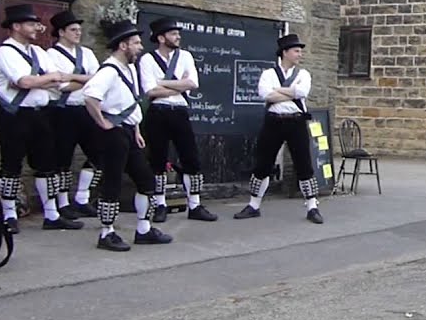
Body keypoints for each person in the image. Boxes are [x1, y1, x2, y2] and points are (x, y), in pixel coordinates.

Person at [0, 4, 82, 233]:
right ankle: (9, 214)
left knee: (47, 165)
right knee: (11, 165)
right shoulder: (4, 52)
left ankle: (52, 215)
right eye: (31, 24)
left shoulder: (39, 52)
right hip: (14, 115)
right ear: (16, 26)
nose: (36, 28)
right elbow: (24, 82)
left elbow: (58, 80)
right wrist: (42, 79)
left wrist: (43, 78)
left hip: (40, 114)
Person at [83, 20, 173, 251]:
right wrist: (102, 123)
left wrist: (136, 130)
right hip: (113, 133)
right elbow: (91, 97)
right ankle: (106, 233)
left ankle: (144, 230)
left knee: (146, 180)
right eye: (136, 43)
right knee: (112, 182)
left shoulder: (130, 69)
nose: (140, 47)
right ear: (123, 46)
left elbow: (129, 102)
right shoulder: (109, 70)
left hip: (128, 132)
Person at [234, 34, 323, 224]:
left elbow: (302, 92)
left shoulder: (303, 74)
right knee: (263, 163)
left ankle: (312, 207)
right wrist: (290, 93)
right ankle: (254, 205)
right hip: (274, 121)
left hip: (296, 121)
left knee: (304, 164)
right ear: (285, 52)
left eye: (300, 51)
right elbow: (265, 94)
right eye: (296, 51)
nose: (300, 54)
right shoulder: (268, 74)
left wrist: (278, 91)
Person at [138, 17, 217, 223]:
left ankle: (195, 205)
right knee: (157, 159)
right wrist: (178, 83)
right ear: (162, 38)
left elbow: (192, 83)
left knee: (191, 157)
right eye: (173, 34)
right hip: (158, 111)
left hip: (180, 110)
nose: (178, 37)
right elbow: (150, 90)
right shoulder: (147, 59)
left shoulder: (186, 56)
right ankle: (160, 204)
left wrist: (163, 82)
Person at [43, 11, 102, 220]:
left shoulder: (86, 53)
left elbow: (99, 79)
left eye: (79, 29)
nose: (78, 33)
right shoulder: (51, 55)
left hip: (85, 109)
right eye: (73, 30)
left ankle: (82, 198)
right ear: (61, 32)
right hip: (62, 111)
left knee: (98, 155)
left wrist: (75, 77)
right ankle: (63, 203)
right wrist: (85, 79)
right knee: (62, 159)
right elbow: (62, 86)